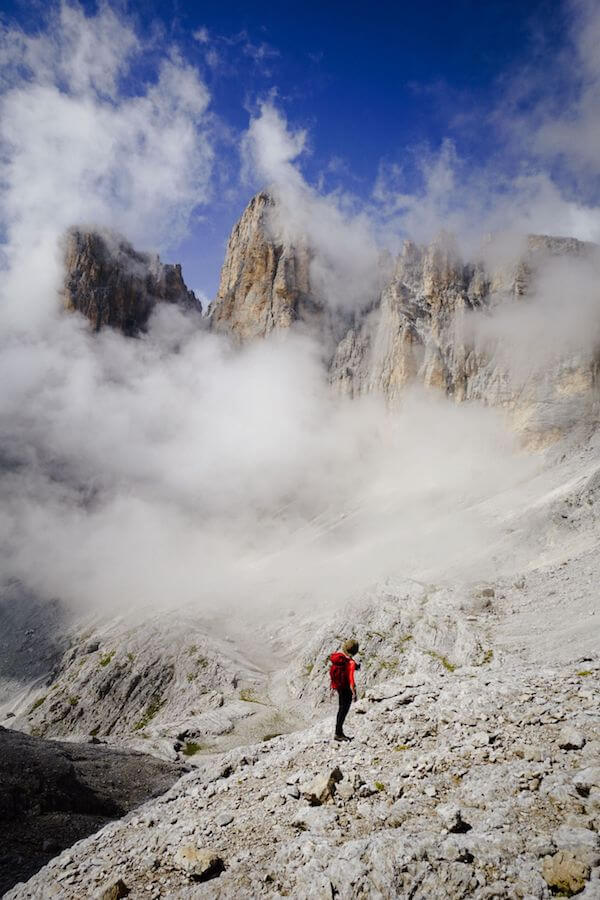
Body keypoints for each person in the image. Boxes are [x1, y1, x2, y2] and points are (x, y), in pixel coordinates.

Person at [329, 639, 360, 742]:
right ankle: (338, 733)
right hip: (346, 689)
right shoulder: (350, 662)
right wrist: (354, 693)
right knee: (343, 710)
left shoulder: (340, 659)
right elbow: (351, 679)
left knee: (340, 709)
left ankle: (338, 732)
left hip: (339, 688)